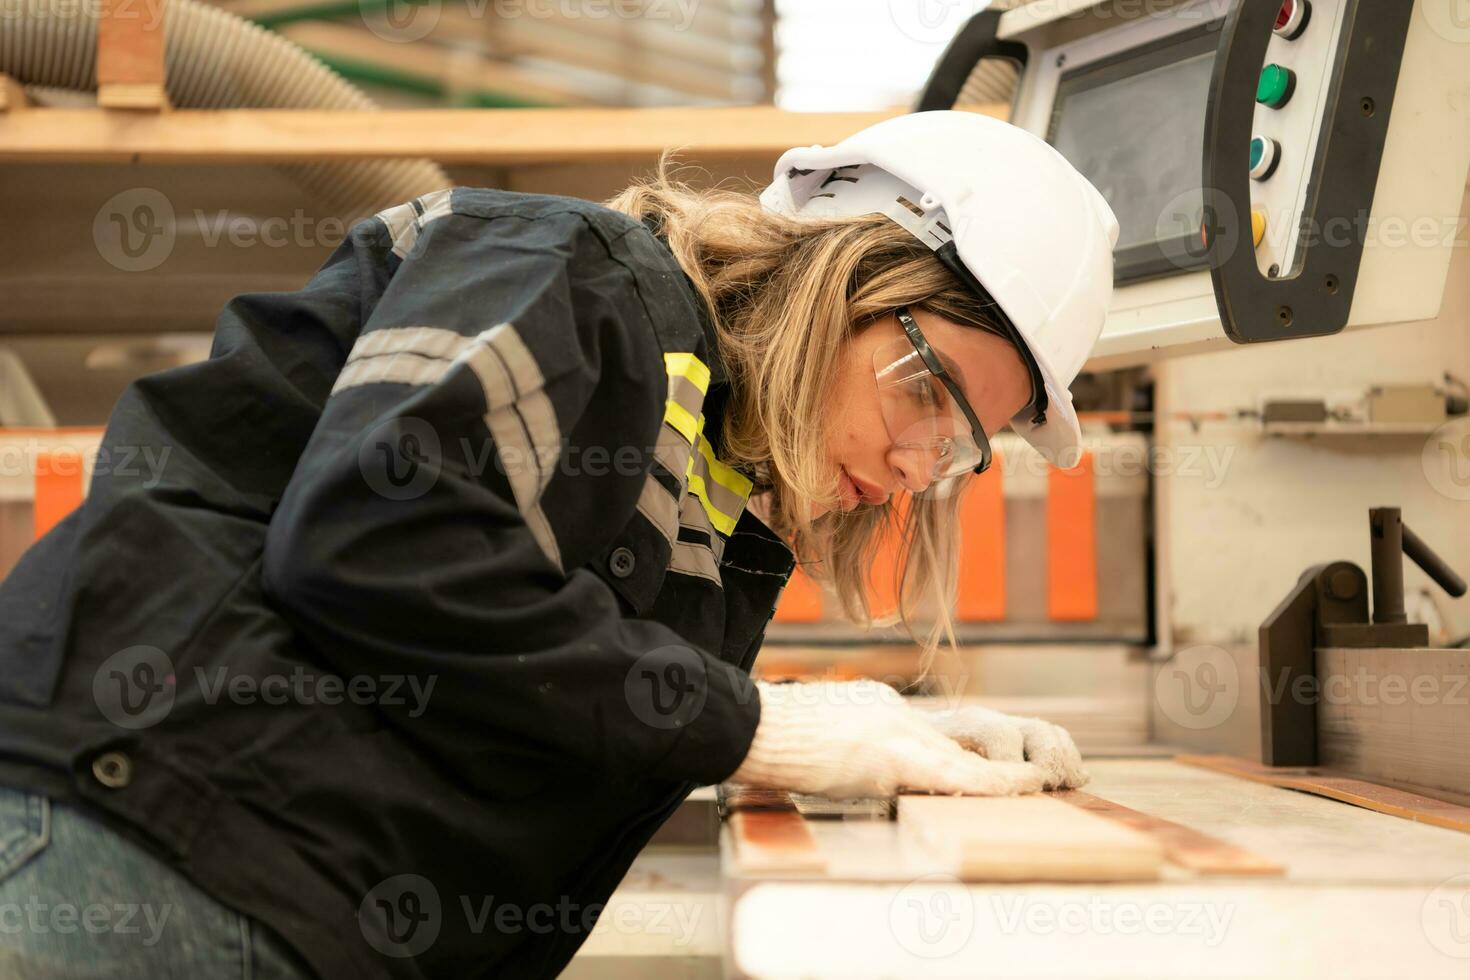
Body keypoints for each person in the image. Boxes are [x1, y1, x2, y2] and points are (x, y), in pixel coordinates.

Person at [0, 111, 1119, 978]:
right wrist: (766, 725)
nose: (918, 466)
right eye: (927, 391)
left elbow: (542, 661)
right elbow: (373, 539)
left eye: (962, 449)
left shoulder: (720, 506)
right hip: (137, 852)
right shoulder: (576, 272)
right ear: (845, 271)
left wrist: (874, 731)